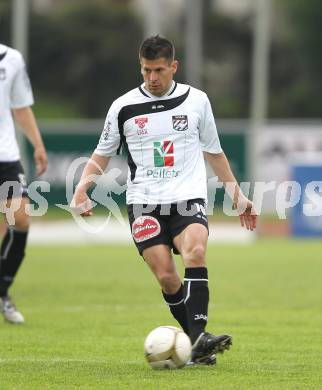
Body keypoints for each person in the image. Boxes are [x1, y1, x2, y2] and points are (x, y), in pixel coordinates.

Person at [71, 35, 257, 364]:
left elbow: (214, 153)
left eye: (159, 70)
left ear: (174, 66)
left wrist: (237, 196)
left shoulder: (196, 101)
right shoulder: (123, 107)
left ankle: (198, 338)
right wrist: (81, 188)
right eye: (146, 71)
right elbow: (101, 155)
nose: (152, 78)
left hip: (187, 198)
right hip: (144, 203)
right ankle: (197, 346)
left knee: (196, 251)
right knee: (167, 276)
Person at [0, 43, 48, 324]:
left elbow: (21, 107)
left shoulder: (12, 58)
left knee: (20, 219)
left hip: (6, 156)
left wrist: (38, 145)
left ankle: (3, 292)